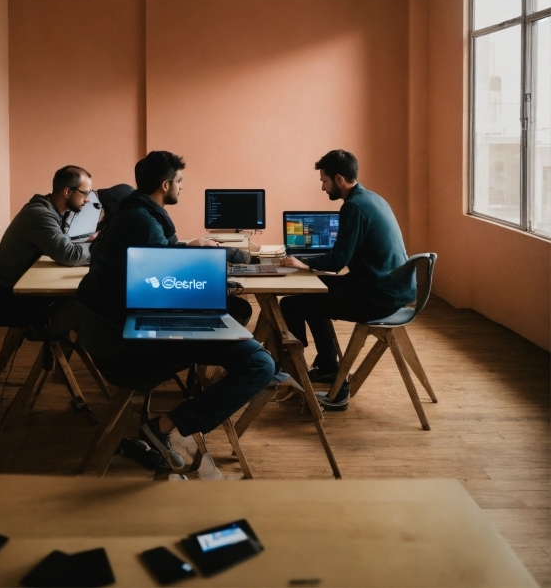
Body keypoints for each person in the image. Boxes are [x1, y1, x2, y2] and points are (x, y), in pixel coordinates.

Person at [76, 150, 275, 470]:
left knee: (236, 323)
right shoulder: (143, 222)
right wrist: (210, 286)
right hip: (131, 349)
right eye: (180, 182)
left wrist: (190, 254)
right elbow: (164, 283)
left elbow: (156, 264)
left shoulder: (131, 213)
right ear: (165, 184)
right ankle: (163, 427)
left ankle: (188, 408)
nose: (182, 187)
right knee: (259, 365)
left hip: (116, 333)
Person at [279, 150, 415, 411]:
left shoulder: (353, 207)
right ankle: (329, 367)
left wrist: (303, 263)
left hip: (377, 297)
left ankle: (307, 373)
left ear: (339, 179)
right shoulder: (372, 198)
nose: (322, 186)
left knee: (291, 305)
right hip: (392, 289)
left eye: (324, 180)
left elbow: (337, 261)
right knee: (313, 296)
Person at [0, 165, 97, 328]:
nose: (88, 200)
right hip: (6, 296)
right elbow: (69, 255)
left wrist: (85, 245)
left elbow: (63, 247)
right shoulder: (40, 215)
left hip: (19, 287)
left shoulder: (50, 211)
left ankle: (62, 346)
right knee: (86, 306)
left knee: (81, 303)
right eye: (85, 193)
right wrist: (98, 246)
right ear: (67, 192)